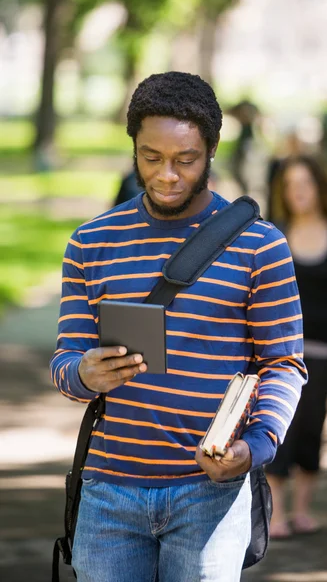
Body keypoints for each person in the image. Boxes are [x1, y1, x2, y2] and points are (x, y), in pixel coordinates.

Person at [50, 72, 307, 582]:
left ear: (211, 151)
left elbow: (284, 363)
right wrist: (84, 374)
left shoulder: (260, 246)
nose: (167, 174)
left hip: (208, 494)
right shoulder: (91, 243)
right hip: (109, 492)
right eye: (151, 157)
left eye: (185, 160)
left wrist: (256, 446)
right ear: (134, 150)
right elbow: (65, 360)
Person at [265, 155, 327, 538]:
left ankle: (302, 509)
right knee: (278, 424)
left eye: (305, 183)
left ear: (320, 188)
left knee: (311, 425)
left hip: (324, 351)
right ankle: (275, 515)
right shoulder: (273, 234)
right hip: (277, 352)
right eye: (290, 185)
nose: (298, 192)